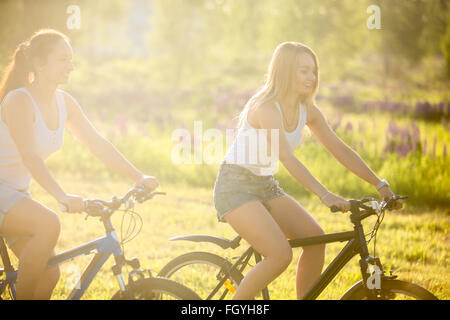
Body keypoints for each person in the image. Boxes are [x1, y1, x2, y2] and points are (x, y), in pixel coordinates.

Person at [213, 41, 402, 300]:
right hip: (234, 186)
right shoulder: (266, 107)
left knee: (315, 240)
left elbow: (340, 150)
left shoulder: (307, 111)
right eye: (303, 71)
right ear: (285, 71)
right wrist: (325, 195)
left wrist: (379, 184)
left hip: (264, 184)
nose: (311, 77)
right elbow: (287, 158)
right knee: (279, 255)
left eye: (313, 71)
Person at [0, 29, 159, 300]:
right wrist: (61, 196)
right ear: (39, 64)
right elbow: (30, 157)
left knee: (48, 276)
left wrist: (137, 175)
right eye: (63, 59)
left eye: (71, 59)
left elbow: (96, 143)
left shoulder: (65, 103)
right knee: (49, 224)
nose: (70, 66)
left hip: (15, 195)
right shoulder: (19, 100)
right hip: (4, 193)